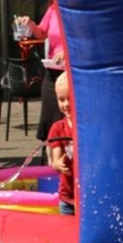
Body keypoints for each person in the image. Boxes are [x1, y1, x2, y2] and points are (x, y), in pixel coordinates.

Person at [16, 0, 66, 142]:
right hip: (52, 68)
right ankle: (48, 149)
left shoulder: (78, 11)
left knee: (65, 113)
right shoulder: (53, 9)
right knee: (48, 114)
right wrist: (30, 25)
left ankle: (66, 147)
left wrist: (68, 52)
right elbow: (42, 33)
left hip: (69, 71)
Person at [47, 72, 75, 215]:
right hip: (67, 197)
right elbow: (55, 162)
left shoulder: (87, 128)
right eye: (61, 99)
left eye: (70, 98)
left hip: (88, 195)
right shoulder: (58, 128)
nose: (66, 104)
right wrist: (58, 164)